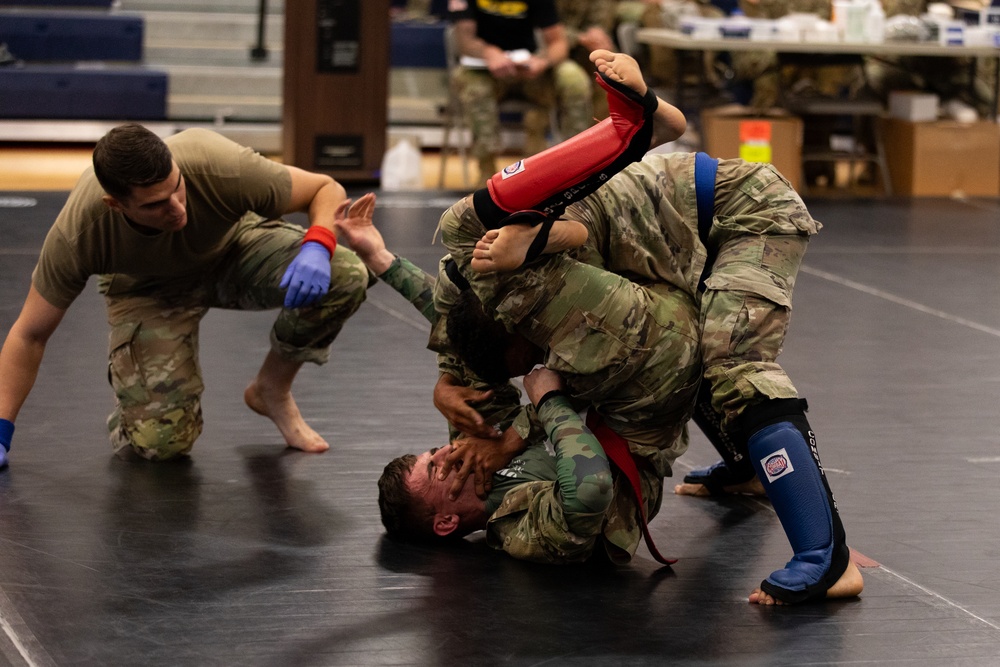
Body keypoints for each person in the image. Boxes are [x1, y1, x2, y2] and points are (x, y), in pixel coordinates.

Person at [346, 50, 862, 604]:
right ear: (446, 520)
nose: (445, 458)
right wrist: (543, 405)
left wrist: (384, 266)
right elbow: (586, 486)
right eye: (437, 474)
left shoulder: (474, 437)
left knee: (471, 252)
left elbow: (457, 315)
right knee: (712, 359)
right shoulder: (515, 526)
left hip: (736, 211)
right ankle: (812, 540)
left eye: (432, 455)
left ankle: (821, 555)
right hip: (682, 249)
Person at [0, 124, 371, 466]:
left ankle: (271, 388)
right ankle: (135, 405)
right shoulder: (81, 232)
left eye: (177, 188)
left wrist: (319, 245)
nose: (177, 209)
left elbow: (325, 188)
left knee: (347, 274)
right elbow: (29, 335)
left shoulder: (214, 162)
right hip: (147, 289)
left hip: (232, 251)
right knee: (163, 444)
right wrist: (1, 431)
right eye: (154, 205)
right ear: (116, 204)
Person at [448, 0, 596, 184]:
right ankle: (486, 173)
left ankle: (576, 166)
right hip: (484, 71)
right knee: (475, 88)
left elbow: (558, 42)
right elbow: (464, 40)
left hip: (529, 72)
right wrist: (489, 53)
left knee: (574, 79)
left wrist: (543, 61)